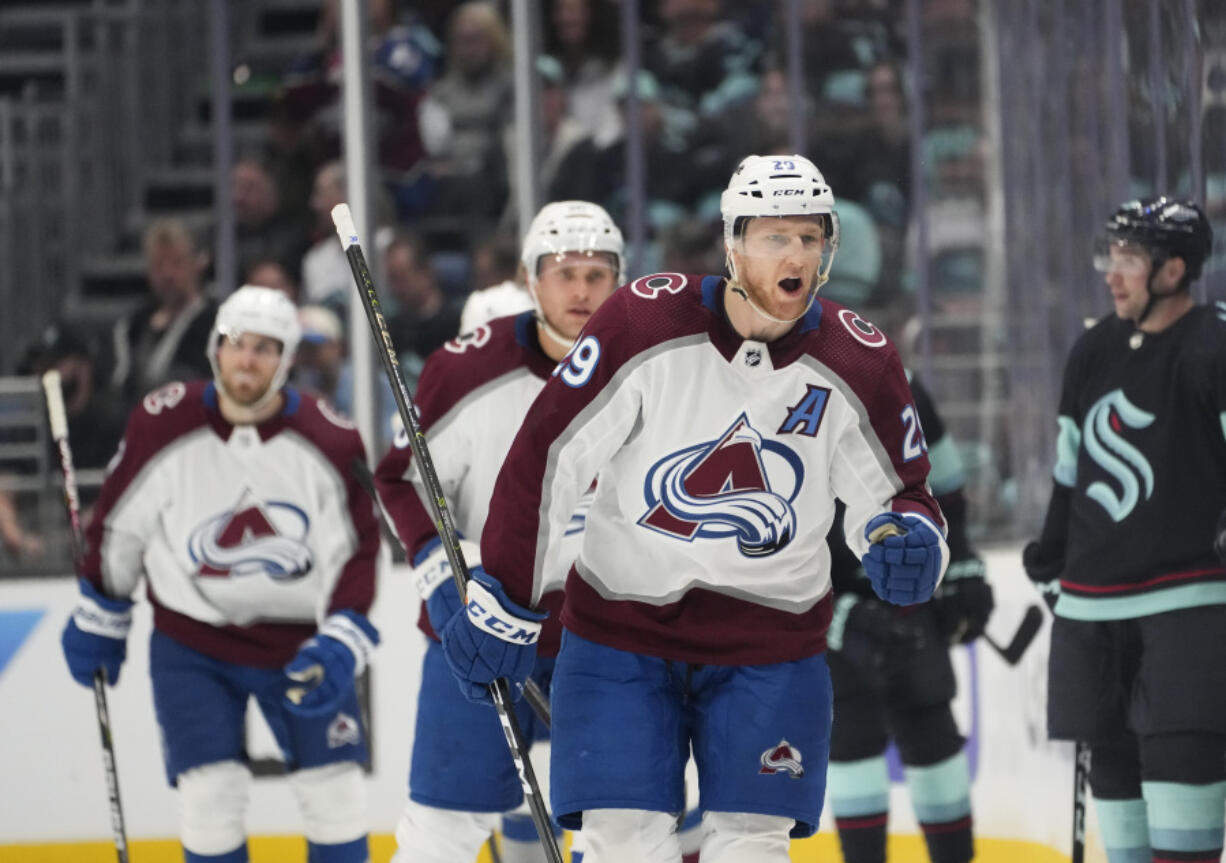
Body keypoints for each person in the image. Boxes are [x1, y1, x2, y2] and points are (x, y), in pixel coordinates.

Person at [438, 154, 949, 862]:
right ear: (734, 243)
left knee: (751, 845)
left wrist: (908, 539)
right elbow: (548, 457)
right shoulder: (643, 322)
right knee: (623, 844)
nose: (796, 254)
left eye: (810, 237)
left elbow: (898, 496)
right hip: (621, 633)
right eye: (776, 237)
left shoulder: (860, 360)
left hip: (770, 647)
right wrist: (507, 596)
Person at [59, 286, 381, 863]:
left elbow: (356, 548)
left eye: (264, 348)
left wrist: (341, 637)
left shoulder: (328, 437)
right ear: (215, 349)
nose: (247, 359)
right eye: (236, 344)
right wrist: (100, 609)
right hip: (193, 643)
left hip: (299, 644)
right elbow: (118, 527)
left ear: (285, 361)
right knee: (209, 799)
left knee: (336, 796)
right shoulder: (165, 422)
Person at [374, 200, 626, 863]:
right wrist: (438, 569)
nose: (579, 290)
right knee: (440, 830)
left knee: (626, 829)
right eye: (562, 271)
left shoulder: (654, 364)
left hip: (609, 637)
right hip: (483, 623)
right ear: (528, 278)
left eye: (597, 274)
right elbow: (400, 477)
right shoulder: (468, 369)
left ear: (621, 279)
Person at [1024, 197, 1226, 863]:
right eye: (1110, 257)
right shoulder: (1093, 350)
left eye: (1130, 260)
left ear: (1173, 270)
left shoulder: (1213, 345)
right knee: (1124, 832)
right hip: (1092, 613)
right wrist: (1052, 553)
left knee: (1182, 823)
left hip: (1188, 612)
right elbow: (1069, 467)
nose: (1113, 274)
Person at [824, 372, 993, 863]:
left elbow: (949, 491)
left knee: (932, 730)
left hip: (907, 595)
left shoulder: (902, 384)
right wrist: (839, 613)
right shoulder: (782, 382)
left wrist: (961, 568)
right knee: (851, 737)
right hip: (832, 606)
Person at [109, 218, 217, 417]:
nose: (167, 274)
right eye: (159, 265)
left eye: (177, 263)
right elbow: (121, 388)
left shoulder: (217, 322)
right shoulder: (132, 327)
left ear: (198, 263)